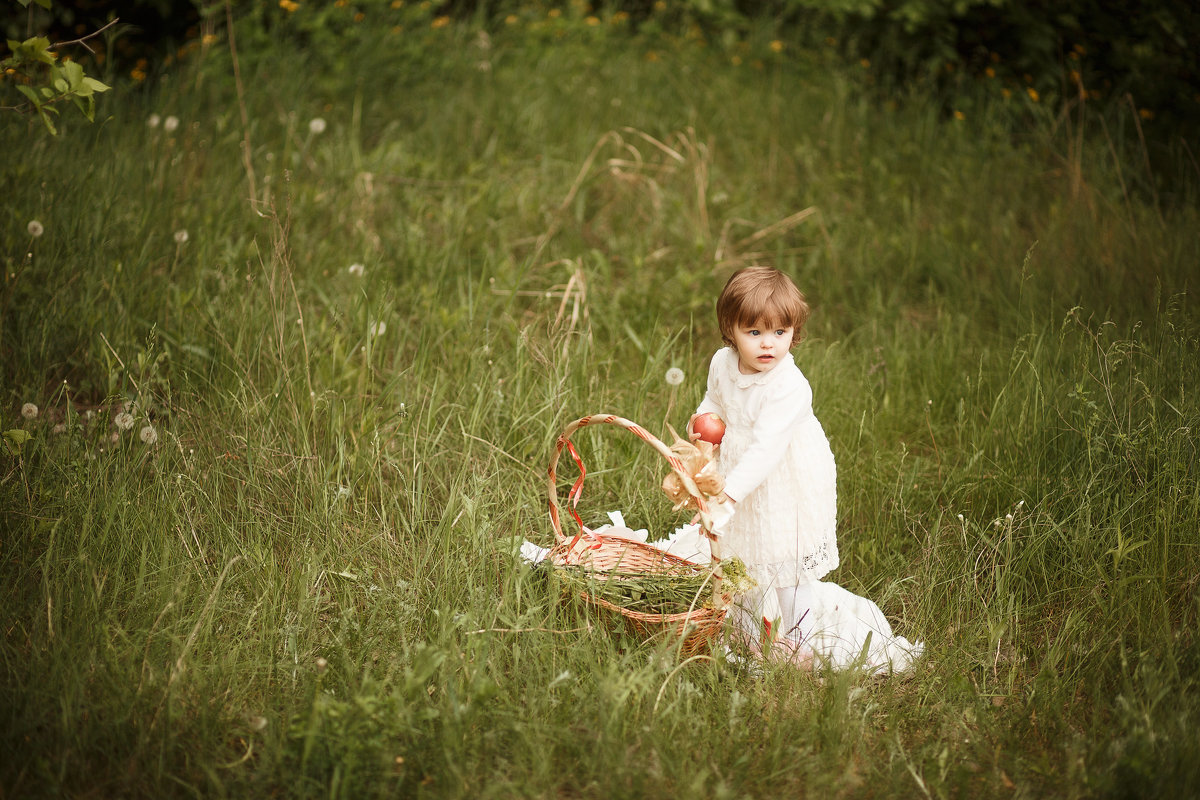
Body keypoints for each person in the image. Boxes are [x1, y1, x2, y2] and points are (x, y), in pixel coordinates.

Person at [688, 266, 922, 673]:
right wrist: (702, 423)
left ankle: (800, 642)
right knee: (743, 549)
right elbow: (714, 402)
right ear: (730, 329)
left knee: (785, 559)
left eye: (780, 332)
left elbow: (766, 450)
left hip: (784, 477)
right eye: (754, 332)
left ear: (794, 332)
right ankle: (754, 629)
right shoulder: (722, 363)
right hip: (740, 472)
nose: (768, 344)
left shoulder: (789, 386)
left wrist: (725, 495)